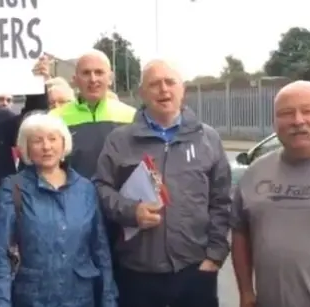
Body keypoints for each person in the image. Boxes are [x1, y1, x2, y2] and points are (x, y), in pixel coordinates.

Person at [94, 59, 231, 307]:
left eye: (170, 82)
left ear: (183, 89)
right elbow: (101, 188)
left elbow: (221, 200)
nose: (164, 90)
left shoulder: (208, 138)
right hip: (137, 271)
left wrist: (215, 256)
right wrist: (130, 211)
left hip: (195, 269)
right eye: (154, 84)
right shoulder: (120, 140)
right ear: (142, 93)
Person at [0, 113, 117, 307]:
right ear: (26, 149)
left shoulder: (85, 189)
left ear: (64, 144)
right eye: (37, 141)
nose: (46, 147)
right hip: (32, 298)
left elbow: (100, 250)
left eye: (53, 139)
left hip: (80, 297)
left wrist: (108, 300)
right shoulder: (13, 189)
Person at [231, 80, 310, 307]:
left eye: (308, 111)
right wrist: (246, 291)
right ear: (274, 121)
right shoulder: (256, 172)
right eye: (286, 113)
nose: (297, 120)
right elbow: (240, 231)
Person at [50, 49, 136, 178]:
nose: (93, 79)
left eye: (99, 72)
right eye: (86, 73)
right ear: (75, 79)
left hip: (116, 197)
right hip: (73, 196)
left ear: (110, 78)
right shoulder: (54, 118)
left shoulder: (132, 116)